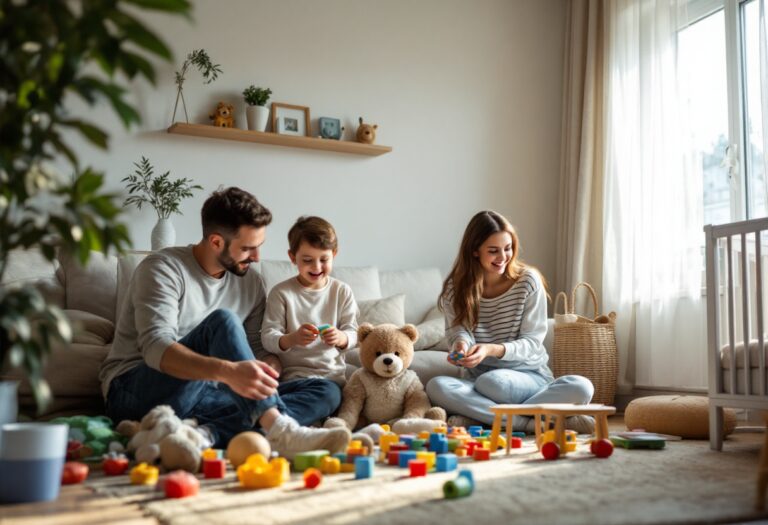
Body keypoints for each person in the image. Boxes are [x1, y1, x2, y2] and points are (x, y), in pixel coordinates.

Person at [99, 188, 351, 458]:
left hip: (209, 394)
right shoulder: (163, 268)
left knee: (326, 390)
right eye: (247, 248)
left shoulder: (250, 282)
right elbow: (155, 347)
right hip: (136, 389)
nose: (257, 258)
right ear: (216, 242)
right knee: (223, 320)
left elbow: (255, 346)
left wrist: (269, 364)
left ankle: (202, 435)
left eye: (259, 245)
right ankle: (279, 430)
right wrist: (227, 372)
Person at [425, 211, 595, 434]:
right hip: (478, 383)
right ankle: (528, 422)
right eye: (493, 251)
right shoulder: (455, 288)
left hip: (529, 378)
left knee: (581, 387)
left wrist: (491, 350)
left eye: (508, 248)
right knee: (436, 386)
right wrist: (461, 346)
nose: (503, 256)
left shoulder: (527, 281)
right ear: (474, 251)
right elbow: (459, 330)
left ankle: (486, 418)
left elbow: (532, 342)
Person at [260, 216, 357, 426]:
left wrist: (341, 337)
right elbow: (268, 338)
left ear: (334, 255)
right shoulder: (281, 293)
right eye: (307, 260)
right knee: (260, 392)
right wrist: (291, 339)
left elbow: (353, 332)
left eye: (324, 259)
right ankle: (275, 420)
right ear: (292, 257)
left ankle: (270, 422)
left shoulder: (341, 291)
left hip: (328, 381)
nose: (316, 266)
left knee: (331, 396)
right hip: (290, 381)